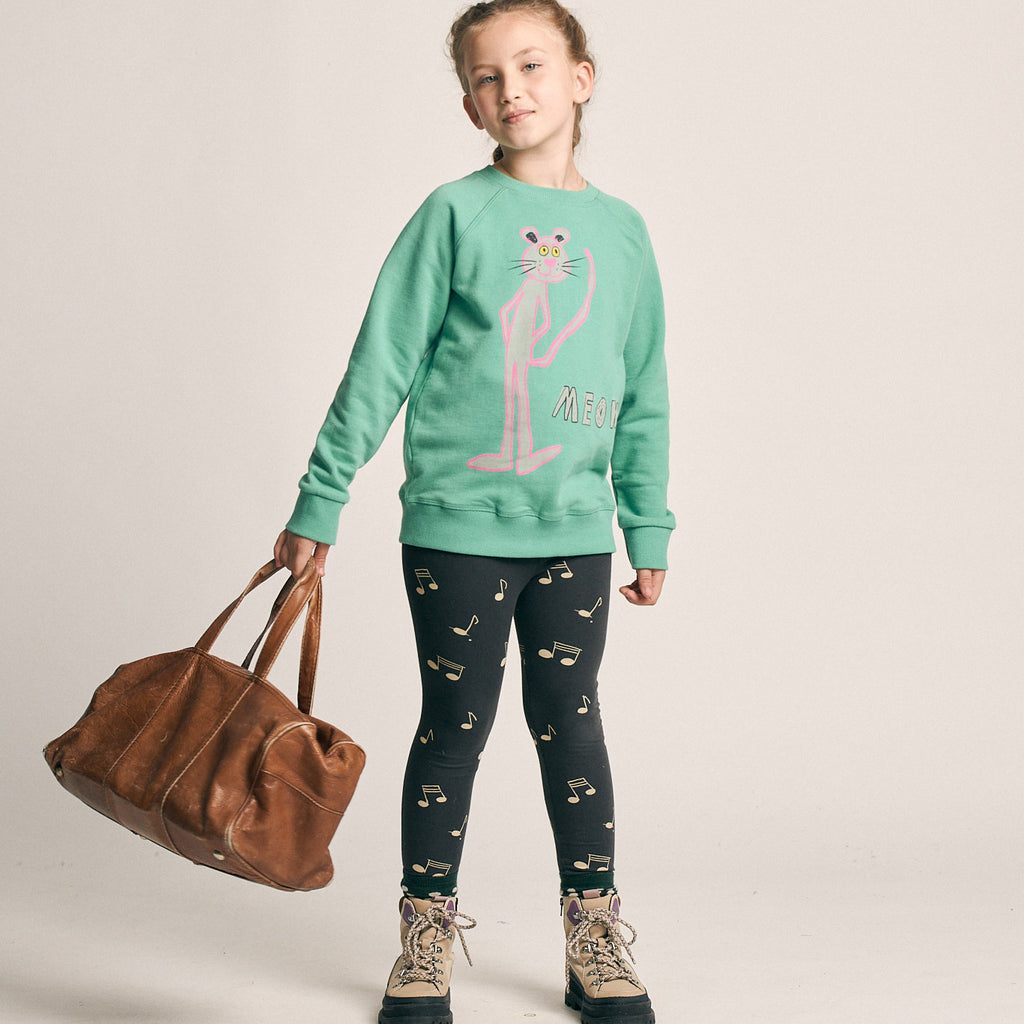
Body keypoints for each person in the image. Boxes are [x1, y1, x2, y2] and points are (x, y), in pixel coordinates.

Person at [275, 3, 673, 1021]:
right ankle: (424, 939)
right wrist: (321, 498)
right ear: (469, 107)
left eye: (531, 65)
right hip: (455, 531)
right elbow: (381, 362)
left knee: (571, 723)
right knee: (454, 728)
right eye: (488, 77)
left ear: (581, 78)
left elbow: (642, 390)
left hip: (574, 534)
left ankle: (593, 935)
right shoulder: (452, 215)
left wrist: (647, 522)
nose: (512, 89)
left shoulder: (624, 234)